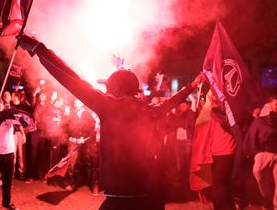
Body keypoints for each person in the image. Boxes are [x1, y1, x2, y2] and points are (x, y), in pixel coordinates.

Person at [16, 35, 204, 210]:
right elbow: (172, 101)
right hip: (150, 195)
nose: (106, 91)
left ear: (118, 88)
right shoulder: (149, 110)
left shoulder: (108, 106)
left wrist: (39, 49)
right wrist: (192, 86)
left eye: (109, 87)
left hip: (121, 198)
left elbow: (71, 79)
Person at [243, 96, 277, 210]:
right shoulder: (261, 120)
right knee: (258, 172)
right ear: (269, 105)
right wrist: (248, 150)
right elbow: (252, 133)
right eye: (276, 104)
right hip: (264, 152)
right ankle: (267, 200)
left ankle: (275, 204)